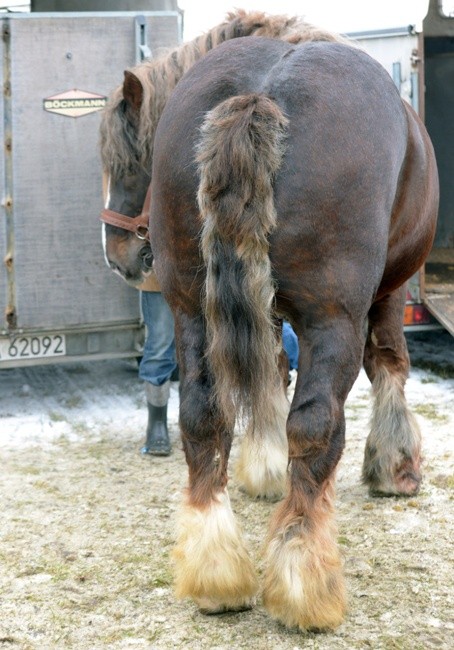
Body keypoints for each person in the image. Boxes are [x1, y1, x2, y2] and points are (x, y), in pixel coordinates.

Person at [138, 279, 177, 457]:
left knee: (199, 347)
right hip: (158, 274)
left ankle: (195, 422)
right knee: (159, 348)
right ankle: (157, 426)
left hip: (197, 271)